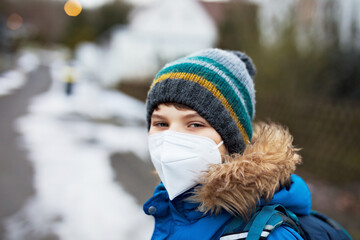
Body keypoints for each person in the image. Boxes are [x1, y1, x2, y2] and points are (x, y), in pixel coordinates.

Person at [143, 48, 310, 240]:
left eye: (195, 124)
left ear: (231, 140)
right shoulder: (172, 209)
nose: (171, 137)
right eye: (161, 123)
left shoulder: (269, 236)